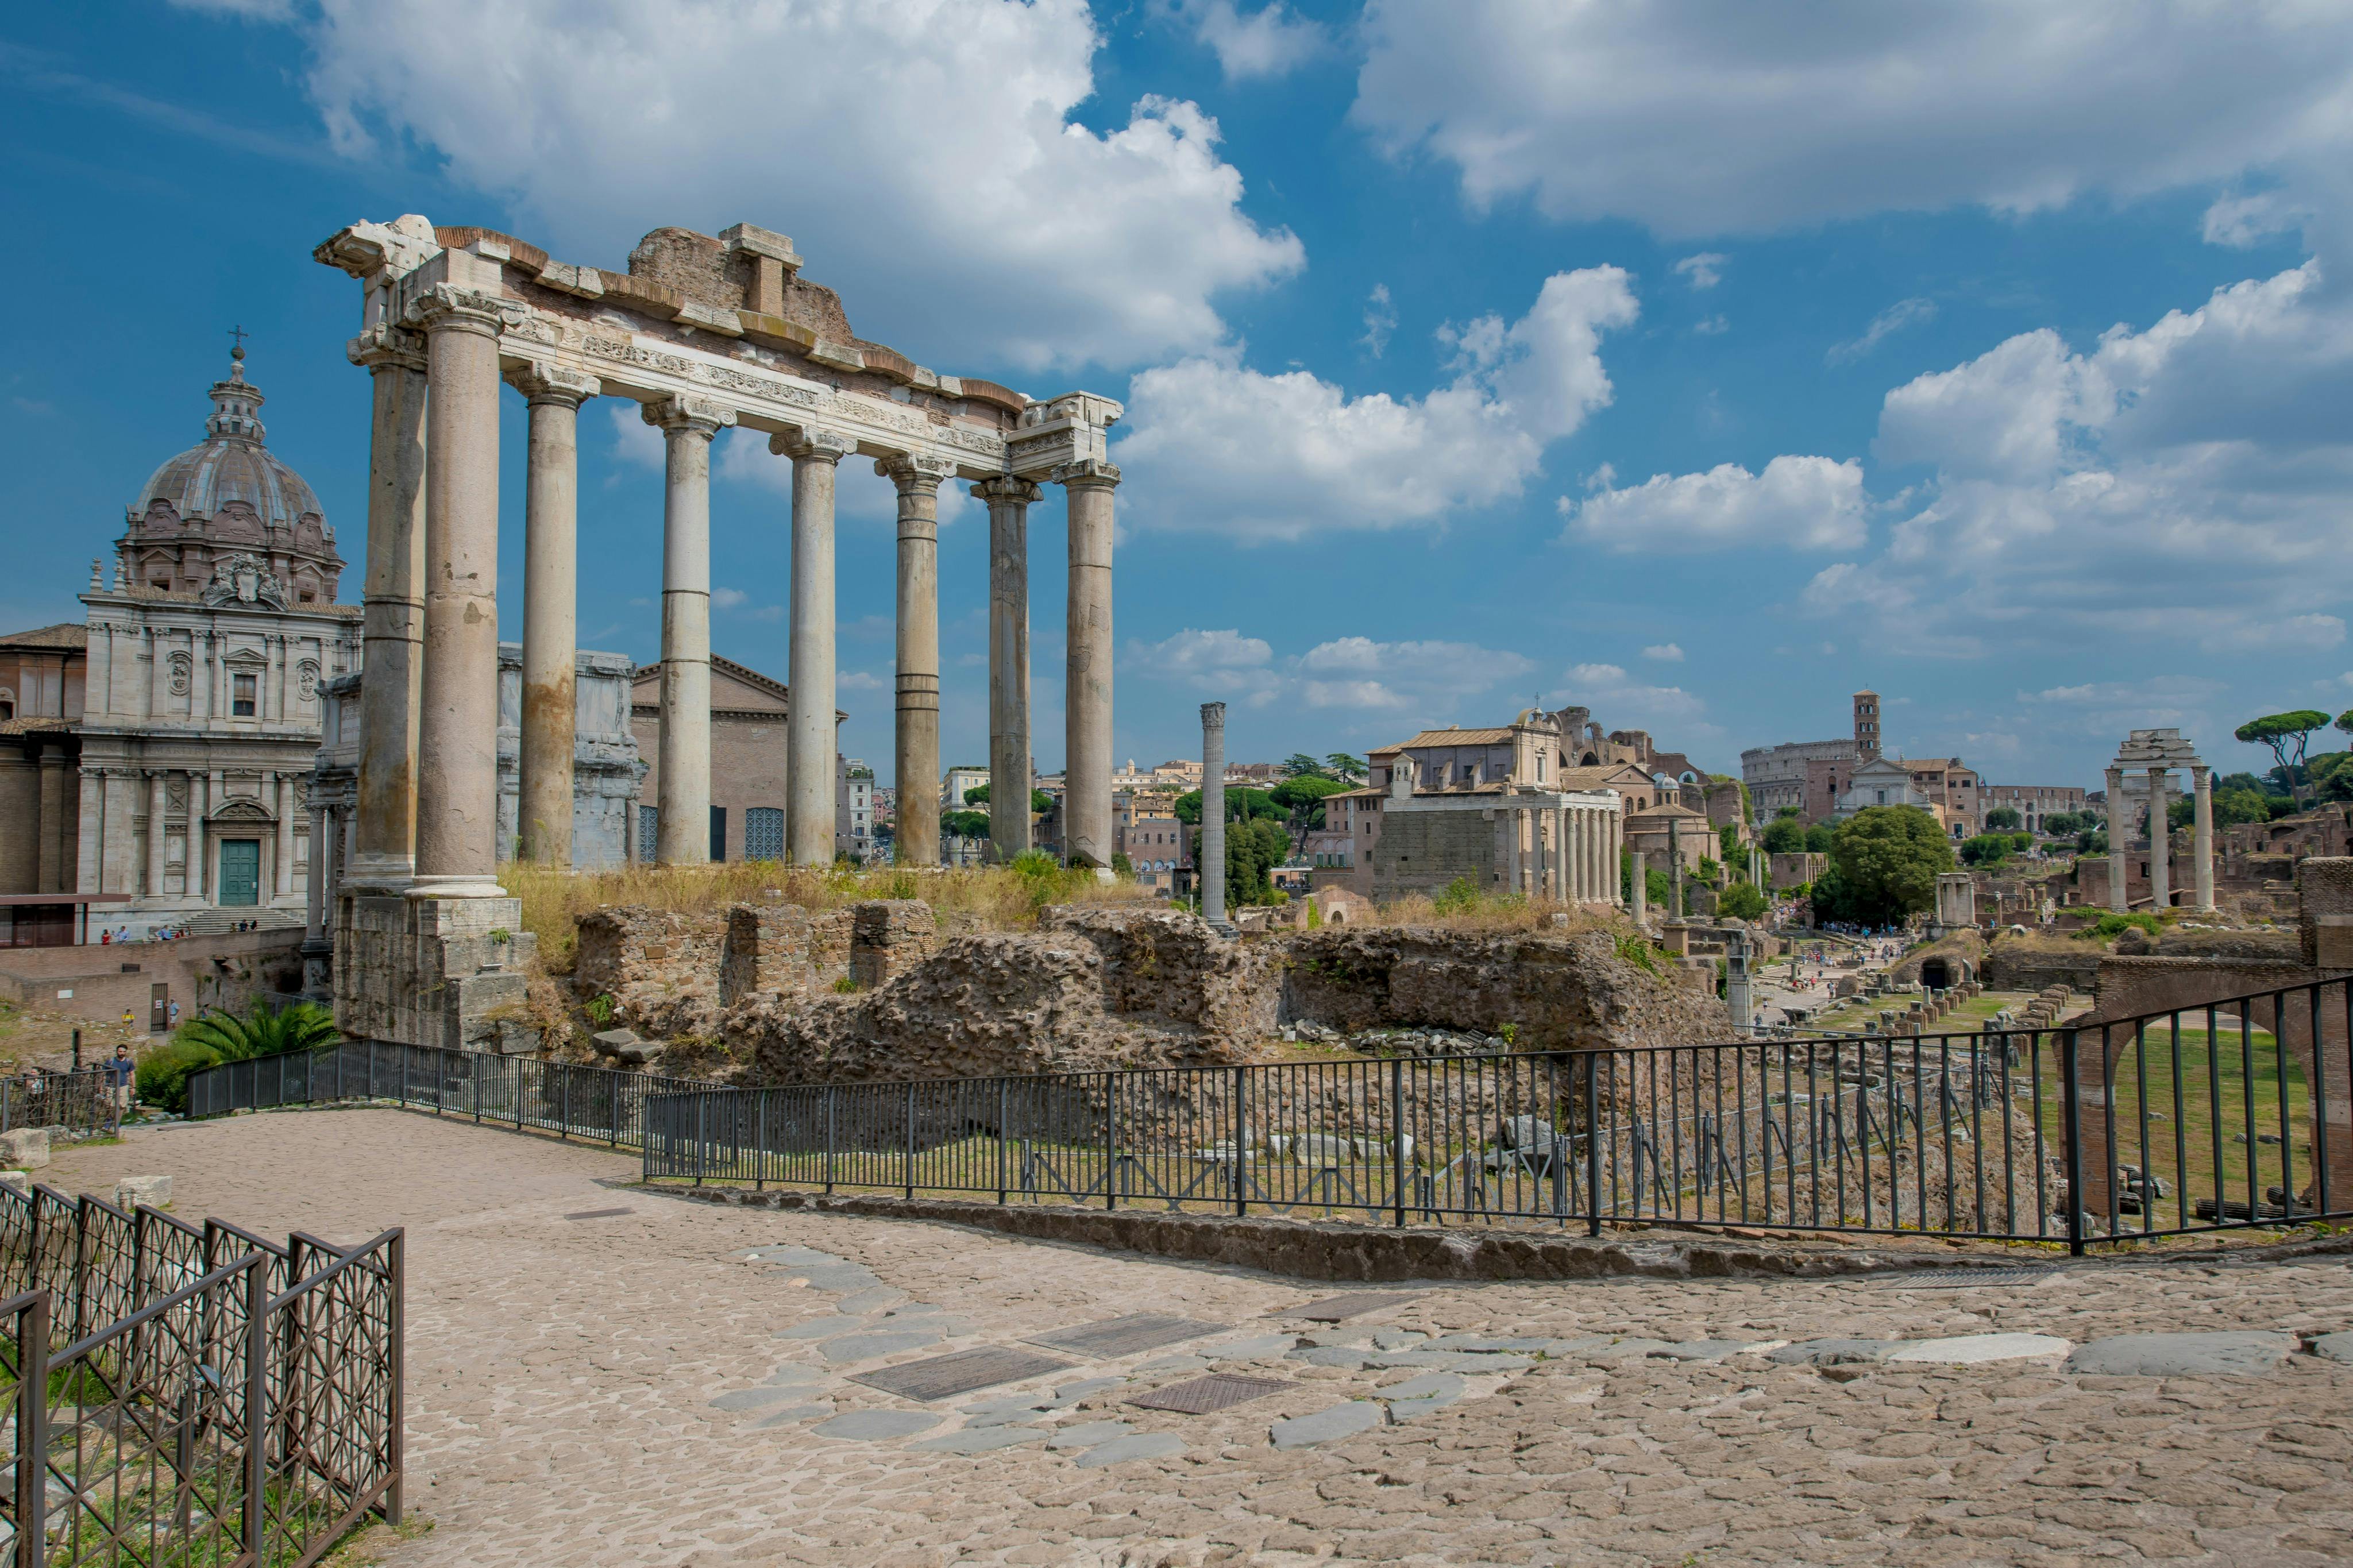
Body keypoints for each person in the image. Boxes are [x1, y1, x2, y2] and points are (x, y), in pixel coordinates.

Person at [103, 1045, 136, 1121]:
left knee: (122, 1105)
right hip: (111, 1086)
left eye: (124, 1052)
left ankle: (117, 1123)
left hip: (123, 1086)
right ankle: (109, 1121)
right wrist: (101, 1086)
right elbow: (103, 1073)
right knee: (109, 1105)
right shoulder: (110, 1061)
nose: (122, 1053)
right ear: (117, 1051)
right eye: (120, 1052)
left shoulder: (128, 1062)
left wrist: (133, 1087)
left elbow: (132, 1074)